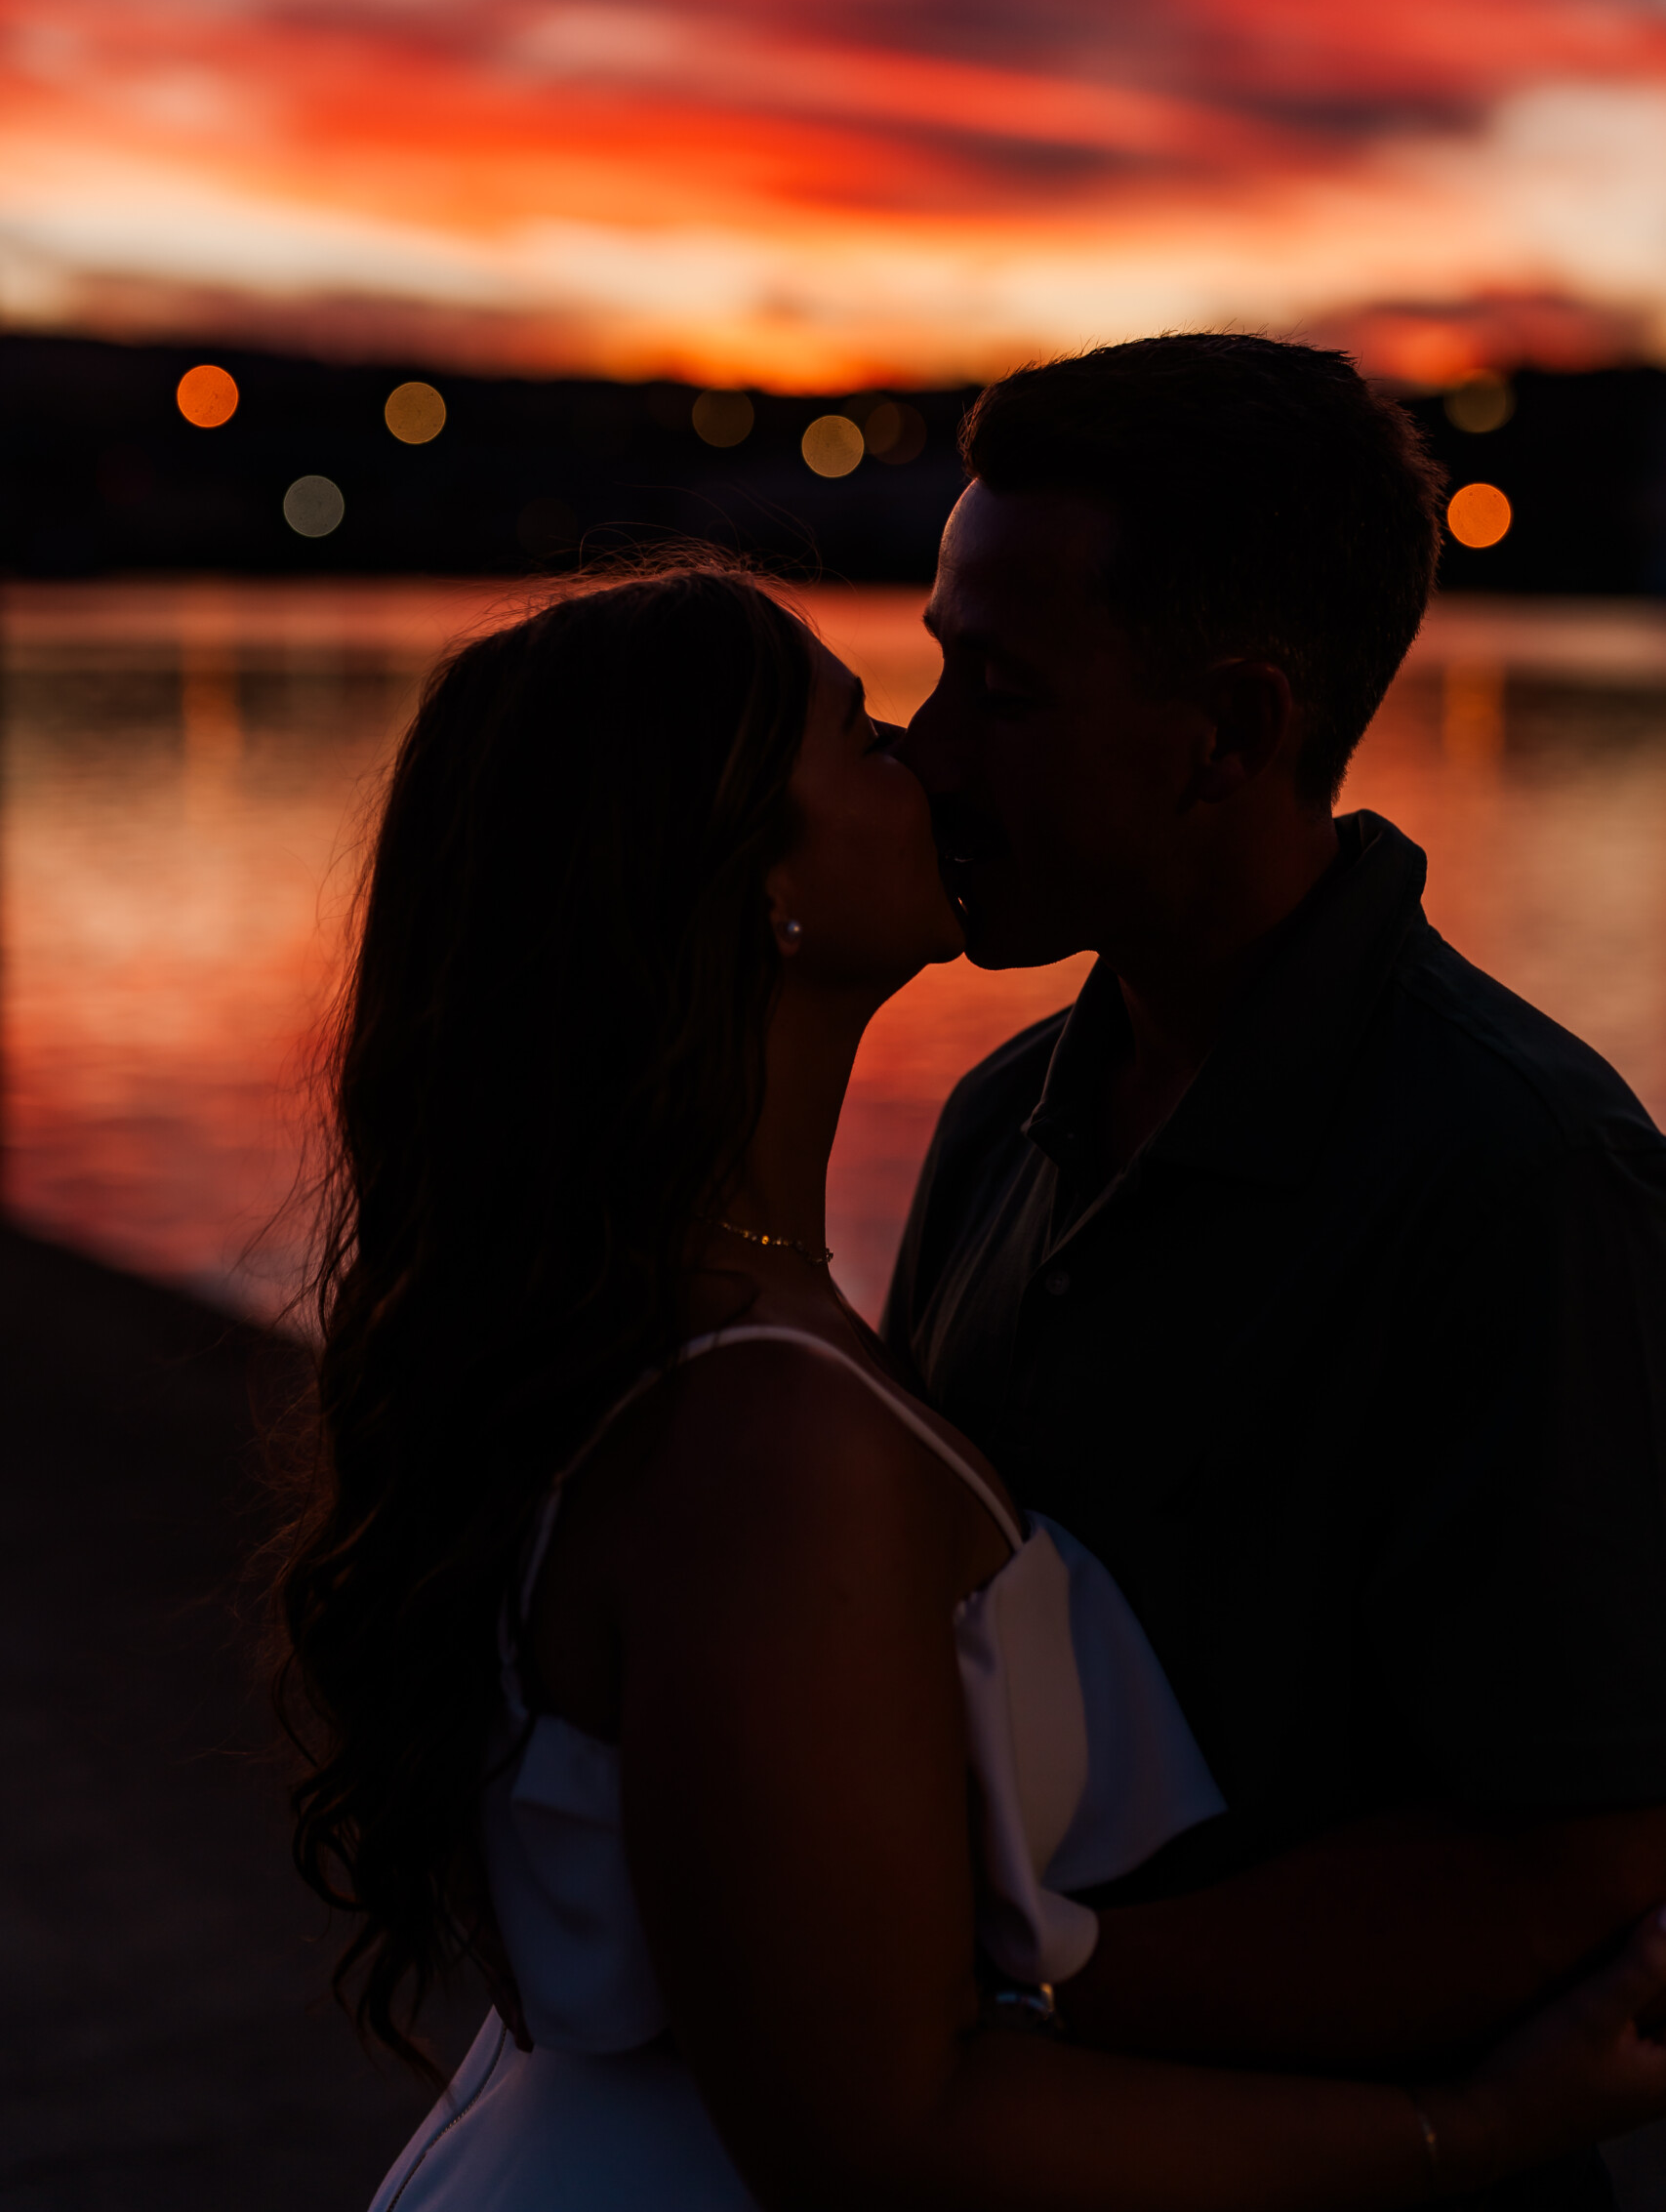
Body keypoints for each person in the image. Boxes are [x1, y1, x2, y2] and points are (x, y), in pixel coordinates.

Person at [275, 558, 1666, 2212]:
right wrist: (1473, 2129)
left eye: (969, 700)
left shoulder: (705, 1320)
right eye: (869, 733)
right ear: (755, 887)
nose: (928, 762)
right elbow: (886, 2132)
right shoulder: (766, 1430)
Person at [883, 336, 1666, 2211]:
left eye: (996, 690)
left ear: (1228, 730)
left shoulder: (1522, 1178)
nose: (926, 752)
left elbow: (1582, 1851)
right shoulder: (1003, 1121)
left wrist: (990, 1999)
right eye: (934, 668)